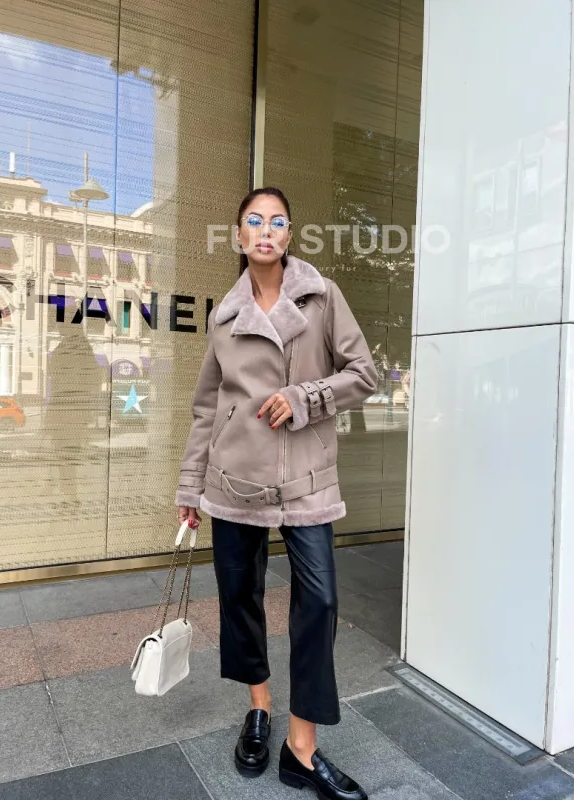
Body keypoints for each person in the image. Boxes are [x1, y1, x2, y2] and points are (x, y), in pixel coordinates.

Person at [176, 187, 377, 800]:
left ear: (290, 234)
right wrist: (190, 485)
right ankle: (259, 709)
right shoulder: (223, 317)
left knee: (319, 602)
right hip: (233, 478)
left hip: (305, 477)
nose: (266, 230)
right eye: (254, 221)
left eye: (278, 221)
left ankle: (301, 747)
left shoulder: (322, 296)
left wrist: (303, 397)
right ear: (239, 235)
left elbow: (363, 374)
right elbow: (207, 408)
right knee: (240, 596)